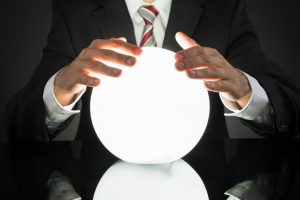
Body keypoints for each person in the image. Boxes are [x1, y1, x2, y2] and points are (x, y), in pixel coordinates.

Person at [5, 0, 300, 199]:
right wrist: (61, 85)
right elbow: (19, 122)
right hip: (104, 184)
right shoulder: (76, 9)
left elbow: (290, 108)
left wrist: (242, 87)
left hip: (198, 184)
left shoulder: (222, 7)